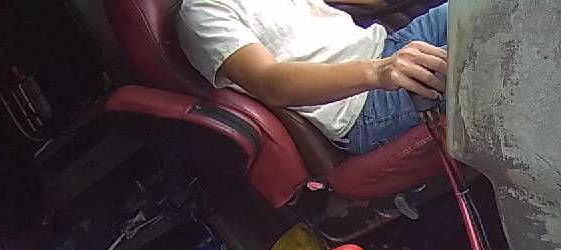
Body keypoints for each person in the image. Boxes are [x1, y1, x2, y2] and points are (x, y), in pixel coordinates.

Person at [178, 0, 450, 155]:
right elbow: (270, 84)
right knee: (477, 54)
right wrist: (378, 71)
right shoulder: (204, 13)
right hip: (363, 104)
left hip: (392, 47)